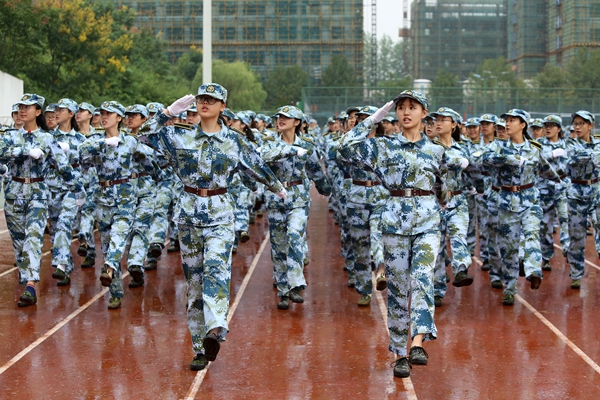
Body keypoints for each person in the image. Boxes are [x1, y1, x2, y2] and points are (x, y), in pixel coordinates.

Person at [146, 83, 285, 371]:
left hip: (220, 214)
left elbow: (256, 165)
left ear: (223, 106)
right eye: (201, 99)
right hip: (188, 216)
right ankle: (201, 347)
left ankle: (216, 326)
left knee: (216, 270)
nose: (205, 103)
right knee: (195, 285)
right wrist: (166, 113)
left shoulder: (234, 141)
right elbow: (143, 136)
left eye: (212, 100)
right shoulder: (179, 135)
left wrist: (278, 187)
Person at [340, 90, 445, 378]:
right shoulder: (383, 147)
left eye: (413, 107)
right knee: (398, 289)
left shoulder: (436, 150)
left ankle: (418, 342)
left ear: (424, 113)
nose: (406, 112)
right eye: (401, 107)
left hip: (427, 223)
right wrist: (371, 121)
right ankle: (400, 352)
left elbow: (444, 187)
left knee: (422, 276)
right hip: (395, 223)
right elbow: (344, 148)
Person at [0, 93, 84, 307]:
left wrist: (78, 191)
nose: (22, 110)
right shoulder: (10, 136)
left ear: (38, 112)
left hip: (37, 192)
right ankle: (27, 277)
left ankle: (30, 285)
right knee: (19, 242)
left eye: (27, 107)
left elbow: (64, 167)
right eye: (20, 107)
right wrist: (26, 151)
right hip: (13, 193)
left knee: (34, 237)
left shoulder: (48, 139)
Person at [80, 101, 159, 309]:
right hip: (103, 197)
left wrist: (152, 177)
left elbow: (149, 163)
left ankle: (108, 266)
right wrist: (103, 144)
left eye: (110, 113)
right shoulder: (94, 140)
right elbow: (81, 155)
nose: (104, 117)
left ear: (119, 118)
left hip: (125, 197)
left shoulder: (130, 142)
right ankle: (115, 292)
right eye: (102, 113)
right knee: (107, 244)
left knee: (119, 234)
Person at [259, 105, 331, 309]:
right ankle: (283, 290)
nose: (280, 120)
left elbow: (315, 169)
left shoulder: (307, 145)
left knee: (294, 236)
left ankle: (295, 284)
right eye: (278, 117)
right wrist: (289, 150)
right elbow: (262, 159)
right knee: (278, 245)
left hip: (298, 198)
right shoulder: (269, 143)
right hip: (276, 198)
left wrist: (325, 189)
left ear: (297, 122)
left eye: (285, 117)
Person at [482, 109, 556, 305]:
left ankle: (533, 271)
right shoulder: (498, 146)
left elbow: (546, 169)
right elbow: (484, 160)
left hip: (530, 200)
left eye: (512, 120)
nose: (507, 124)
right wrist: (510, 159)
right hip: (506, 202)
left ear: (523, 125)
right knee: (509, 248)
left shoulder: (534, 148)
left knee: (532, 235)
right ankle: (510, 288)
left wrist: (559, 180)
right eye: (507, 120)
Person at [337, 106, 388, 307]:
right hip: (356, 198)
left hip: (380, 197)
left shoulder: (385, 144)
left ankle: (381, 269)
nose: (365, 122)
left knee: (377, 236)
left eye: (369, 119)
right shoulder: (351, 145)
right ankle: (364, 289)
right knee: (360, 246)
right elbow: (339, 150)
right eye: (361, 119)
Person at [429, 107, 475, 307]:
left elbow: (472, 169)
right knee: (437, 247)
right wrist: (457, 161)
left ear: (454, 124)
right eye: (436, 120)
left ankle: (461, 269)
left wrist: (474, 187)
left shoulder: (463, 148)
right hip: (434, 203)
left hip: (457, 200)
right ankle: (437, 289)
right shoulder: (429, 146)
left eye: (443, 120)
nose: (438, 123)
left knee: (458, 235)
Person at [48, 98, 87, 286]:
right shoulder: (48, 137)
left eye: (61, 110)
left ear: (71, 113)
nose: (56, 113)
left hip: (72, 187)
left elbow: (87, 164)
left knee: (64, 223)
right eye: (56, 109)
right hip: (52, 186)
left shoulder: (80, 139)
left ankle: (61, 265)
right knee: (55, 229)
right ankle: (67, 266)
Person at [565, 111, 599, 289]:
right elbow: (573, 158)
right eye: (575, 123)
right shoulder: (569, 143)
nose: (577, 127)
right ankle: (576, 274)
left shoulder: (598, 143)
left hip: (596, 191)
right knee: (577, 235)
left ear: (590, 126)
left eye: (581, 123)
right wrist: (593, 155)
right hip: (576, 194)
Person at [538, 115, 569, 271]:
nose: (548, 128)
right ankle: (546, 256)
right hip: (545, 188)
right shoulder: (539, 144)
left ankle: (568, 248)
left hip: (562, 187)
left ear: (559, 128)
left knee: (566, 218)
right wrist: (551, 154)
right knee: (545, 225)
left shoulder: (567, 144)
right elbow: (535, 160)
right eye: (546, 125)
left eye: (552, 125)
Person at [75, 102, 100, 268]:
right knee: (79, 215)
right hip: (76, 179)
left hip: (94, 179)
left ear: (90, 115)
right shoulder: (72, 135)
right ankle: (89, 249)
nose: (79, 113)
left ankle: (84, 240)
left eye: (82, 111)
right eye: (77, 111)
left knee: (88, 209)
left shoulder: (98, 136)